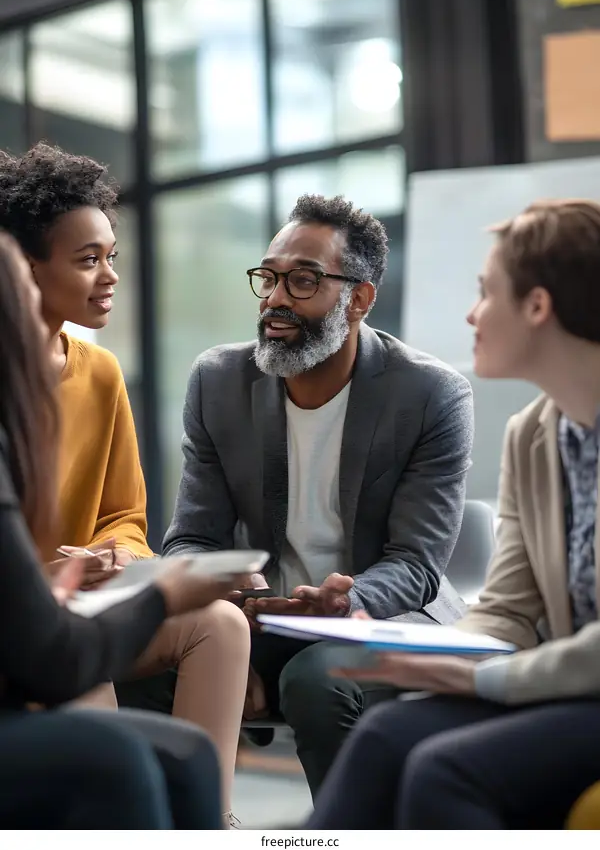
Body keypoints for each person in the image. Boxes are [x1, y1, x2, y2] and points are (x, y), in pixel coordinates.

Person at [158, 193, 474, 796]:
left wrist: (347, 601)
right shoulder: (218, 382)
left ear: (358, 299)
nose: (275, 300)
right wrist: (227, 621)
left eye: (303, 281)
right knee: (139, 662)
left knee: (317, 679)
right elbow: (191, 540)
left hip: (377, 617)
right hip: (259, 620)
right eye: (269, 279)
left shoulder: (431, 394)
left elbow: (417, 562)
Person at [308, 198, 600, 830]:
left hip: (582, 689)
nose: (472, 314)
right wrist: (441, 659)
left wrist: (486, 682)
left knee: (446, 769)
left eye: (485, 292)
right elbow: (510, 607)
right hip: (572, 689)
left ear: (538, 306)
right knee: (387, 732)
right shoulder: (534, 436)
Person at [0, 144, 249, 826]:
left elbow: (127, 516)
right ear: (23, 269)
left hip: (88, 599)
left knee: (220, 624)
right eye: (87, 260)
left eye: (112, 255)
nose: (109, 276)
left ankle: (212, 821)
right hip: (33, 622)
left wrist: (114, 554)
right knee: (95, 714)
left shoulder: (101, 374)